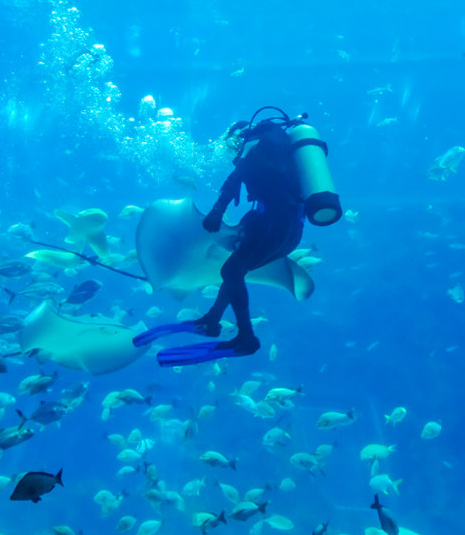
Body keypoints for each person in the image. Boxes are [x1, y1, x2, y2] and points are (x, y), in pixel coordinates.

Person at [133, 107, 341, 366]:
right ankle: (212, 320)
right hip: (290, 232)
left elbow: (236, 178)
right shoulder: (283, 153)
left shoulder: (256, 143)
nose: (232, 149)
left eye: (233, 142)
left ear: (241, 135)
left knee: (232, 271)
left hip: (274, 226)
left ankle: (245, 336)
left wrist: (217, 212)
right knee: (234, 271)